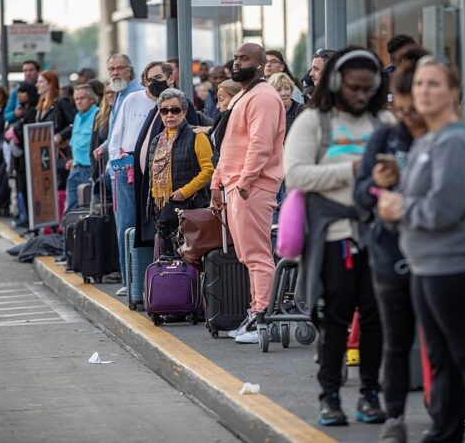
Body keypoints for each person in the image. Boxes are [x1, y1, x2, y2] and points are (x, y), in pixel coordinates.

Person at [377, 55, 465, 443]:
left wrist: (400, 206)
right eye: (420, 83)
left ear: (454, 92)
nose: (424, 91)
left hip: (453, 263)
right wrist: (399, 186)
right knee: (442, 356)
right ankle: (445, 430)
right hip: (427, 263)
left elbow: (445, 208)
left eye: (434, 84)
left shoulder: (455, 142)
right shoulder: (430, 139)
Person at [284, 47, 386, 426]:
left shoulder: (383, 121)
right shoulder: (314, 121)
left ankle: (370, 393)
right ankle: (329, 395)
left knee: (376, 320)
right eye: (353, 88)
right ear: (337, 83)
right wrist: (354, 170)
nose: (360, 95)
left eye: (367, 88)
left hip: (377, 232)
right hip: (333, 234)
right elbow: (295, 175)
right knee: (335, 317)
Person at [353, 48, 430, 442]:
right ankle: (395, 418)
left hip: (435, 252)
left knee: (440, 341)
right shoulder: (385, 135)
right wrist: (378, 189)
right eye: (399, 107)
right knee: (396, 341)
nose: (407, 116)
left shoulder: (441, 138)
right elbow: (360, 191)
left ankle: (447, 413)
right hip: (390, 253)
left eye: (413, 106)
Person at [210, 43, 285, 345]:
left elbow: (260, 144)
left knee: (256, 256)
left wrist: (244, 182)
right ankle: (255, 313)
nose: (237, 62)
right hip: (235, 185)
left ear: (260, 64)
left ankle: (261, 317)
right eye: (236, 58)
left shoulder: (264, 97)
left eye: (245, 58)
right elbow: (228, 145)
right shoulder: (244, 95)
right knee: (246, 255)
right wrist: (218, 183)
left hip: (251, 186)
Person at [107, 61, 172, 294]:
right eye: (150, 78)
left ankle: (158, 281)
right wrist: (117, 164)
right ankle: (130, 280)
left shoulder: (172, 102)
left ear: (169, 79)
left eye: (158, 78)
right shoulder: (132, 100)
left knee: (157, 225)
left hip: (161, 170)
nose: (153, 82)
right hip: (128, 169)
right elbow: (116, 136)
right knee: (126, 223)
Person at [147, 88, 214, 256]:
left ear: (184, 112)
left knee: (190, 260)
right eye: (164, 110)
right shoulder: (157, 140)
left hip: (189, 208)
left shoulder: (197, 136)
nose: (169, 115)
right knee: (168, 263)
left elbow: (208, 170)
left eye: (175, 110)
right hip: (162, 211)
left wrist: (184, 192)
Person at [93, 53, 144, 161]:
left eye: (120, 68)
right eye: (111, 69)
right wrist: (105, 146)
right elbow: (116, 131)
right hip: (118, 163)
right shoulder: (119, 93)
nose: (115, 73)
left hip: (131, 162)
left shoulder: (139, 94)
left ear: (130, 71)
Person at [36, 70, 76, 191]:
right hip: (45, 152)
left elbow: (74, 123)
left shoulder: (60, 102)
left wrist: (60, 135)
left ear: (50, 83)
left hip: (59, 151)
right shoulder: (40, 106)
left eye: (41, 82)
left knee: (59, 186)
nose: (37, 85)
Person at [64, 84, 99, 212]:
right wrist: (73, 160)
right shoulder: (77, 116)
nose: (78, 101)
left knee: (87, 209)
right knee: (70, 209)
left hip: (89, 169)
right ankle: (70, 232)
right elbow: (76, 142)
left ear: (91, 99)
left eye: (82, 98)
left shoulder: (98, 114)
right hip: (75, 168)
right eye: (76, 99)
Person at [9, 83, 39, 228]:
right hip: (20, 158)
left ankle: (30, 221)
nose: (19, 95)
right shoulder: (22, 111)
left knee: (28, 189)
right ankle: (26, 218)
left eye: (23, 92)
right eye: (18, 93)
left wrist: (14, 132)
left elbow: (26, 132)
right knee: (22, 189)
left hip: (29, 157)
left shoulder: (32, 111)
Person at [90, 82, 114, 201]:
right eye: (108, 92)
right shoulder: (100, 114)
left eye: (113, 92)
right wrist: (93, 173)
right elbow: (93, 144)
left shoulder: (124, 110)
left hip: (118, 166)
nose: (110, 95)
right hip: (102, 168)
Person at [268, 72, 304, 137]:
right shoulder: (268, 113)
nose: (284, 93)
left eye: (287, 88)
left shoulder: (301, 110)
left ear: (291, 90)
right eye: (278, 90)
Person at [4, 60, 40, 125]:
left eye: (31, 70)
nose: (28, 73)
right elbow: (6, 115)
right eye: (25, 71)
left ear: (37, 72)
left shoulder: (41, 88)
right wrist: (15, 114)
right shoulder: (16, 91)